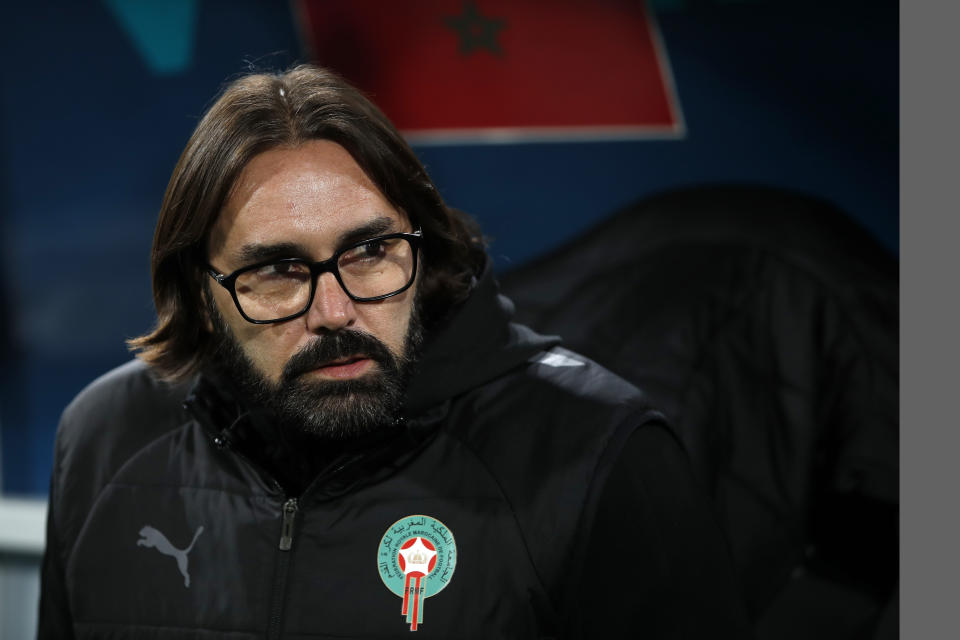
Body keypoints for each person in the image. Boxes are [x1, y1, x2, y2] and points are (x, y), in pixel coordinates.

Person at [38, 65, 753, 639]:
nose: (336, 311)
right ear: (200, 293)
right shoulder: (106, 438)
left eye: (371, 252)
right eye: (280, 271)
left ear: (424, 243)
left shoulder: (596, 450)